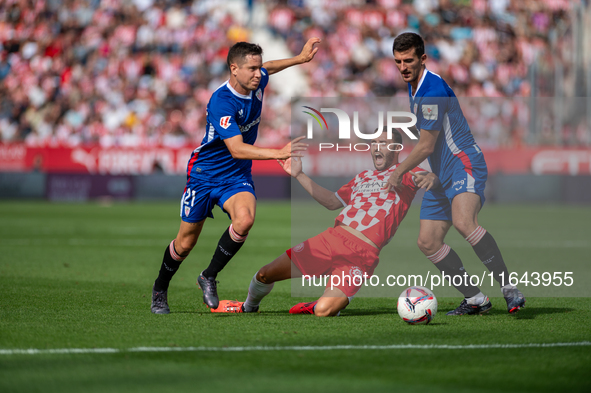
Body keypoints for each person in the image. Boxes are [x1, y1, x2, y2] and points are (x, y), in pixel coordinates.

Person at [151, 38, 320, 314]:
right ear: (234, 69)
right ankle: (160, 288)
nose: (259, 73)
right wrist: (278, 153)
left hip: (235, 175)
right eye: (252, 69)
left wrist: (299, 59)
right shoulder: (222, 101)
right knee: (185, 243)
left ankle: (208, 276)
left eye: (258, 67)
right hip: (204, 175)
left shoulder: (257, 79)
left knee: (245, 220)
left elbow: (271, 68)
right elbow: (237, 148)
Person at [211, 130, 439, 316]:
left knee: (323, 311)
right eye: (374, 142)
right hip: (332, 241)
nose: (376, 147)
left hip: (362, 255)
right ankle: (248, 307)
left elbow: (431, 179)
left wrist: (431, 179)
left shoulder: (407, 173)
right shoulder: (362, 177)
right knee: (264, 275)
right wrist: (299, 175)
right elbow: (331, 201)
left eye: (384, 143)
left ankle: (319, 303)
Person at [384, 32, 525, 315]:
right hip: (441, 174)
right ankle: (476, 300)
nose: (403, 67)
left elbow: (426, 145)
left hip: (464, 163)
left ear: (422, 59)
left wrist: (397, 171)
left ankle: (510, 289)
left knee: (464, 222)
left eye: (408, 60)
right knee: (427, 241)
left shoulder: (432, 90)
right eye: (398, 61)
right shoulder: (414, 88)